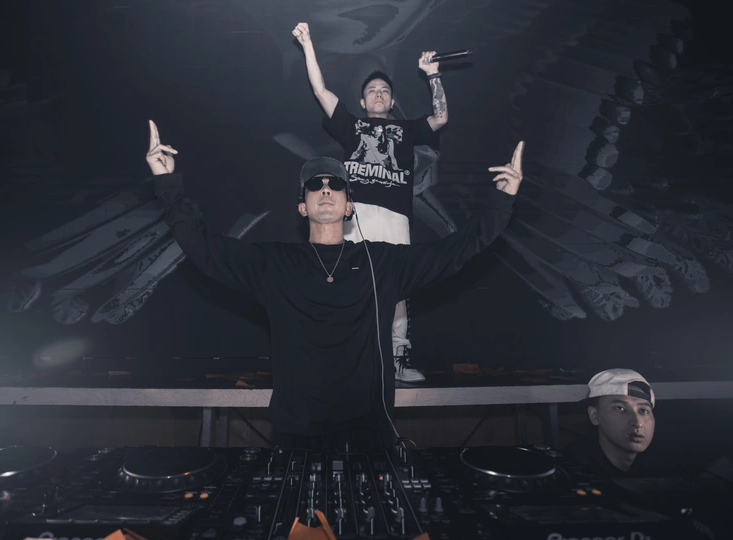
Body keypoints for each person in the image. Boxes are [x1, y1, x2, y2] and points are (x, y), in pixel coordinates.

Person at [146, 120, 523, 449]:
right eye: (315, 184)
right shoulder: (274, 263)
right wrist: (167, 184)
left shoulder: (383, 263)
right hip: (296, 434)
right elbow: (205, 250)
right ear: (302, 207)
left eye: (336, 184)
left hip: (368, 434)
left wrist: (501, 201)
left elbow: (456, 251)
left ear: (348, 207)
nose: (325, 189)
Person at [293, 22, 449, 383]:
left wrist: (433, 74)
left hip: (395, 217)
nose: (379, 93)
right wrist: (308, 44)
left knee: (397, 287)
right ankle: (344, 357)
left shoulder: (406, 130)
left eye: (384, 90)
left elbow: (441, 117)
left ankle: (396, 358)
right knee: (347, 281)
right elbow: (320, 90)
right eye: (372, 90)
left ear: (391, 102)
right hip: (355, 215)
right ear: (363, 102)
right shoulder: (351, 127)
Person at [566, 368, 656, 478]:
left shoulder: (661, 466)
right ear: (594, 415)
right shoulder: (571, 469)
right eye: (620, 408)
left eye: (643, 410)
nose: (637, 423)